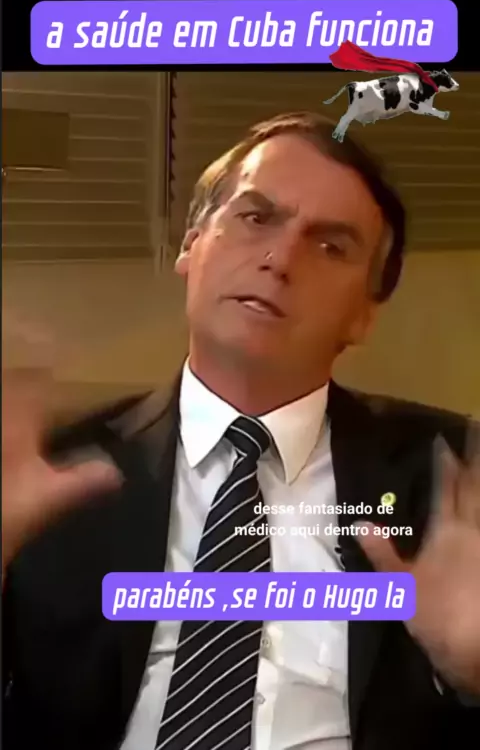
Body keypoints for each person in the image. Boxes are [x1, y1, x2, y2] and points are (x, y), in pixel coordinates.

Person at [2, 112, 480, 750]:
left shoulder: (459, 474)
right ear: (191, 245)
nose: (280, 259)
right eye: (256, 217)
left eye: (331, 247)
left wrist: (474, 673)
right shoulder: (47, 470)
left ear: (364, 315)